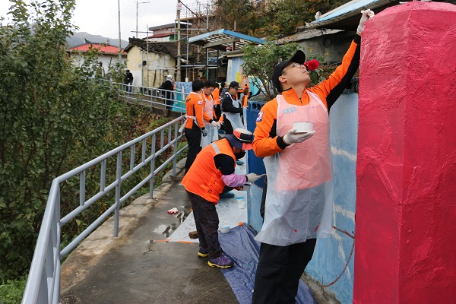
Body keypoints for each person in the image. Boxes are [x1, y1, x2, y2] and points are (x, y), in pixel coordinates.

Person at [251, 9, 373, 304]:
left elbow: (345, 71)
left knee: (300, 258)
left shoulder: (320, 95)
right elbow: (257, 146)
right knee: (273, 262)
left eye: (304, 64)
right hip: (284, 194)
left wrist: (360, 33)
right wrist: (283, 140)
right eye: (296, 65)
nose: (304, 67)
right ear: (283, 78)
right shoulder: (273, 108)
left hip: (314, 193)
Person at [181, 128, 263, 268]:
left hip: (193, 183)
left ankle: (205, 247)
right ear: (238, 146)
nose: (244, 152)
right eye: (244, 149)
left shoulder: (222, 145)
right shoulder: (226, 156)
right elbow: (230, 180)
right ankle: (215, 256)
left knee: (201, 219)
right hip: (201, 188)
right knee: (210, 222)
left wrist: (239, 185)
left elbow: (220, 174)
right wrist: (247, 178)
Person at [182, 79, 206, 173]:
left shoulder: (189, 97)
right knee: (193, 150)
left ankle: (189, 169)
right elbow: (199, 116)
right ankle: (188, 171)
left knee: (191, 148)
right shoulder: (198, 99)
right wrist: (203, 128)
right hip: (194, 126)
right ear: (201, 88)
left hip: (188, 126)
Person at [200, 80, 220, 148]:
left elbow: (211, 109)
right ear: (204, 88)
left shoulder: (210, 95)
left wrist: (215, 119)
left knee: (210, 140)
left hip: (210, 122)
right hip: (204, 123)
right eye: (210, 90)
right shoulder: (201, 96)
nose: (211, 92)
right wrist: (211, 120)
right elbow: (202, 111)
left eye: (212, 90)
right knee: (204, 142)